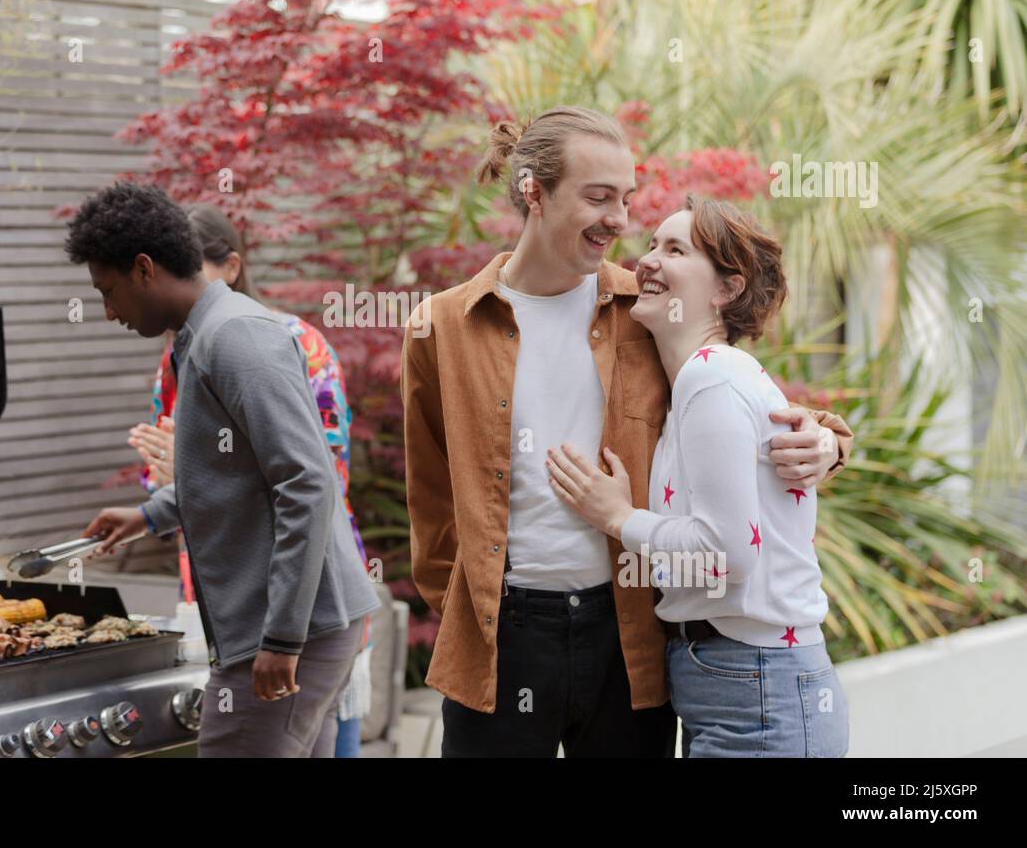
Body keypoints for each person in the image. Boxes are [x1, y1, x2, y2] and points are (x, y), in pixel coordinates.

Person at [400, 106, 854, 757]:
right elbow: (431, 495)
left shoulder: (646, 311)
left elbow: (747, 400)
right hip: (502, 637)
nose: (620, 218)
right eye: (599, 196)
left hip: (628, 632)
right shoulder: (441, 326)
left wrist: (828, 440)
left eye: (627, 198)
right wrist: (464, 604)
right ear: (534, 191)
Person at [67, 181, 379, 757]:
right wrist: (149, 514)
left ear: (144, 269)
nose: (108, 311)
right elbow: (240, 476)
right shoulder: (201, 337)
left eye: (108, 292)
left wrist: (283, 637)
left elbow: (307, 483)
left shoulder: (235, 336)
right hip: (299, 627)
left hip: (292, 630)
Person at [547, 196, 850, 756]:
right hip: (737, 681)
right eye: (653, 245)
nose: (648, 261)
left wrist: (618, 518)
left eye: (676, 249)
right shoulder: (700, 380)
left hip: (759, 686)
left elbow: (726, 557)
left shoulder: (712, 376)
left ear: (726, 290)